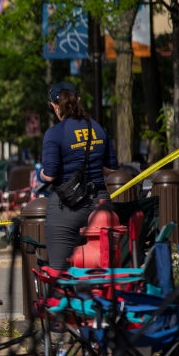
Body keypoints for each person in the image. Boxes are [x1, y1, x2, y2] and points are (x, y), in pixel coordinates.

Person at [37, 81, 118, 271]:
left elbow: (49, 175)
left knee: (59, 270)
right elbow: (111, 168)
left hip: (68, 207)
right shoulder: (98, 128)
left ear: (54, 106)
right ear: (78, 100)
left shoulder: (54, 133)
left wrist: (39, 174)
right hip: (101, 203)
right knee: (102, 269)